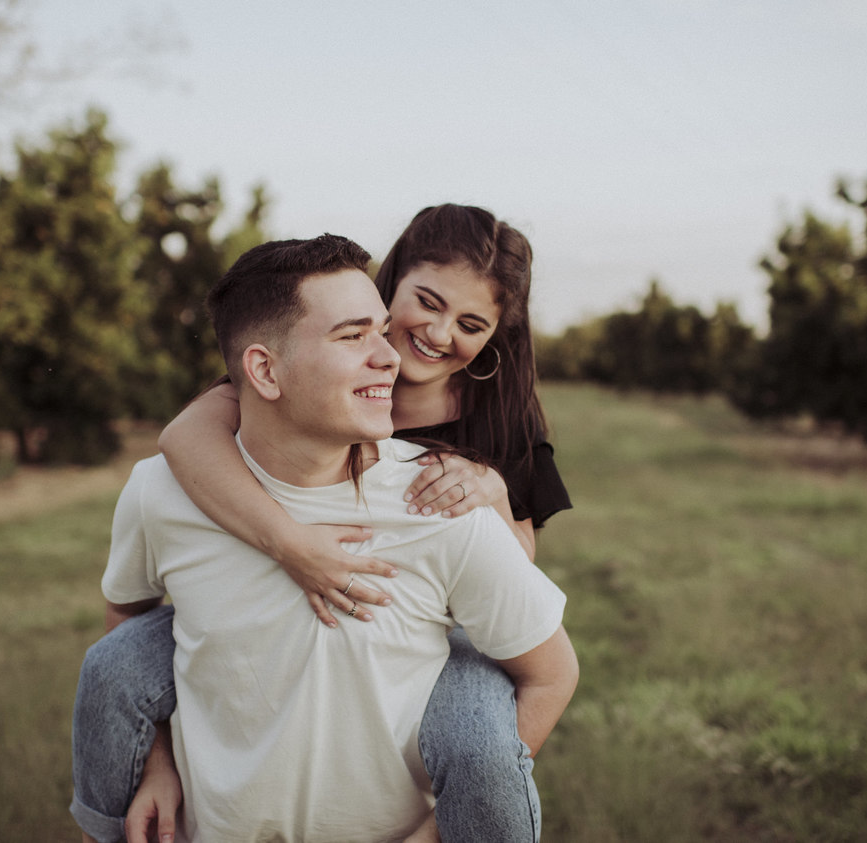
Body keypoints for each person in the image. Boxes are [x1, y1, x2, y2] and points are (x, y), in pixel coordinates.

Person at [73, 234, 578, 843]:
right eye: (355, 334)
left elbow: (545, 655)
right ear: (264, 370)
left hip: (464, 631)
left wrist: (490, 495)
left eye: (470, 323)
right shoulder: (172, 482)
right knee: (115, 663)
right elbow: (181, 444)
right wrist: (157, 764)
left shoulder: (448, 492)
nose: (398, 351)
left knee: (478, 743)